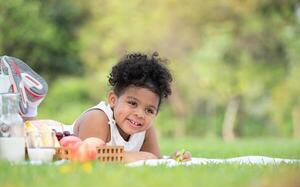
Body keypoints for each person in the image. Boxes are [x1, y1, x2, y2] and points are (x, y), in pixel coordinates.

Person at [0, 53, 191, 163]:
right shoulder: (99, 118)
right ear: (113, 99)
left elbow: (154, 160)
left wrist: (173, 159)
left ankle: (27, 107)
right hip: (57, 137)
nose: (140, 114)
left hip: (59, 141)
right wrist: (141, 156)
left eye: (149, 110)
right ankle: (26, 105)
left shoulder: (146, 130)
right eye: (132, 103)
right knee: (22, 139)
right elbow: (89, 157)